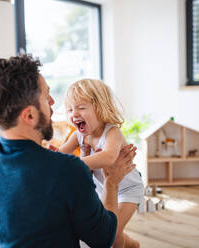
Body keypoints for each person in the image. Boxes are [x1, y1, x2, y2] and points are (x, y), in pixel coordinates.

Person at [0, 54, 137, 248]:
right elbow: (103, 239)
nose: (53, 102)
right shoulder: (67, 169)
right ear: (29, 115)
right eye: (46, 96)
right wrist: (112, 182)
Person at [56, 79, 143, 248]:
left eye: (81, 108)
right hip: (103, 189)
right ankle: (132, 245)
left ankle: (131, 245)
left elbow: (108, 157)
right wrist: (51, 156)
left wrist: (75, 163)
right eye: (70, 109)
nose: (74, 114)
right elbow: (61, 156)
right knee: (106, 232)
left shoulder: (112, 132)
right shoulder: (78, 135)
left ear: (100, 108)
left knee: (113, 234)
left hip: (128, 189)